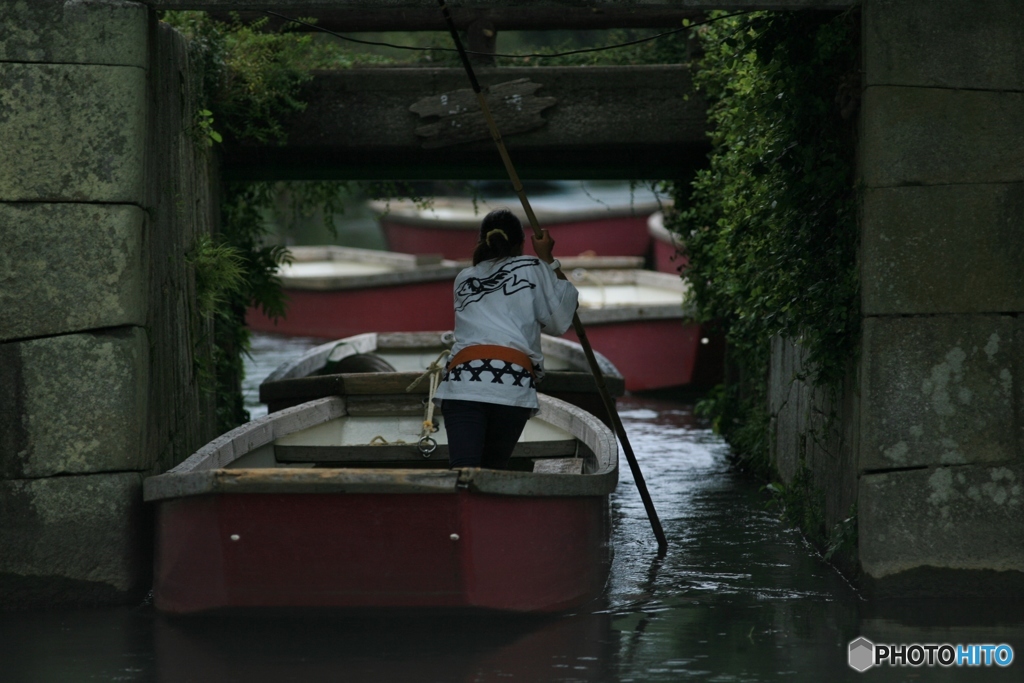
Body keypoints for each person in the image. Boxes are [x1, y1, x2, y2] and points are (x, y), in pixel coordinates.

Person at [432, 208, 579, 470]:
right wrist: (548, 259)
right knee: (492, 473)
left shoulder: (464, 278)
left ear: (482, 241)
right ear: (521, 243)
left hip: (462, 383)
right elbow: (560, 320)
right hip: (511, 385)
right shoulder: (534, 267)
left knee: (463, 471)